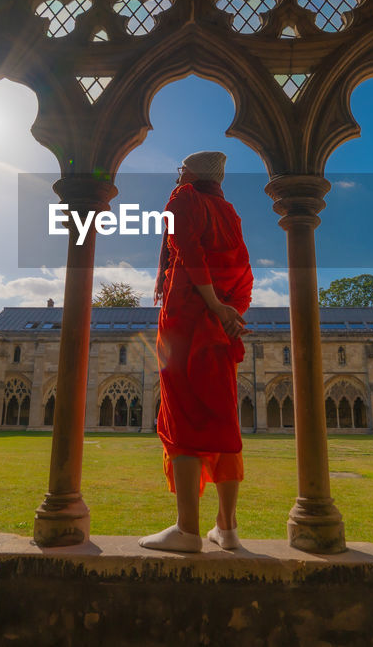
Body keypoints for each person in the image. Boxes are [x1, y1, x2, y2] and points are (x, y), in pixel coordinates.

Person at [139, 151, 253, 553]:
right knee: (223, 422)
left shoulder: (183, 198)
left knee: (180, 421)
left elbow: (187, 252)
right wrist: (231, 313)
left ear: (189, 174)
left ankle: (187, 529)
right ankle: (227, 528)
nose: (178, 176)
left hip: (186, 323)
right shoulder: (229, 212)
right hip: (220, 330)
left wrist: (214, 305)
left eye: (181, 171)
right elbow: (244, 272)